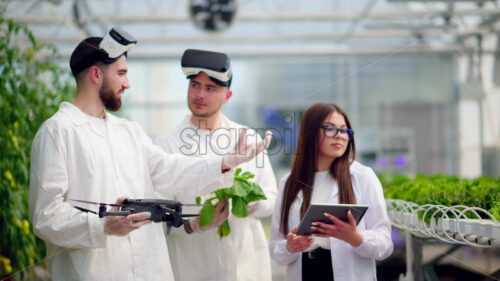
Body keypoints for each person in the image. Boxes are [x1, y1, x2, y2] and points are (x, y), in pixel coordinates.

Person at [28, 28, 270, 281]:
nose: (127, 83)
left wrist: (224, 163)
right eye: (121, 73)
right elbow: (46, 216)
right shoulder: (58, 131)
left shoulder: (128, 131)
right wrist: (102, 226)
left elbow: (169, 170)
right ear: (96, 74)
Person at [154, 49, 277, 281]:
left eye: (210, 88)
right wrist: (191, 225)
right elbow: (156, 216)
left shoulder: (248, 138)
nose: (200, 94)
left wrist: (254, 205)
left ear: (227, 96)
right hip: (193, 266)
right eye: (195, 85)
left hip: (245, 265)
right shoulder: (165, 144)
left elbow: (271, 197)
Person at [269, 103, 393, 281]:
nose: (340, 136)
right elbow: (276, 248)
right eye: (330, 129)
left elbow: (385, 244)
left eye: (344, 130)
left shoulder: (363, 177)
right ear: (310, 133)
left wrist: (355, 237)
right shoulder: (289, 183)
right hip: (305, 272)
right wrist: (290, 246)